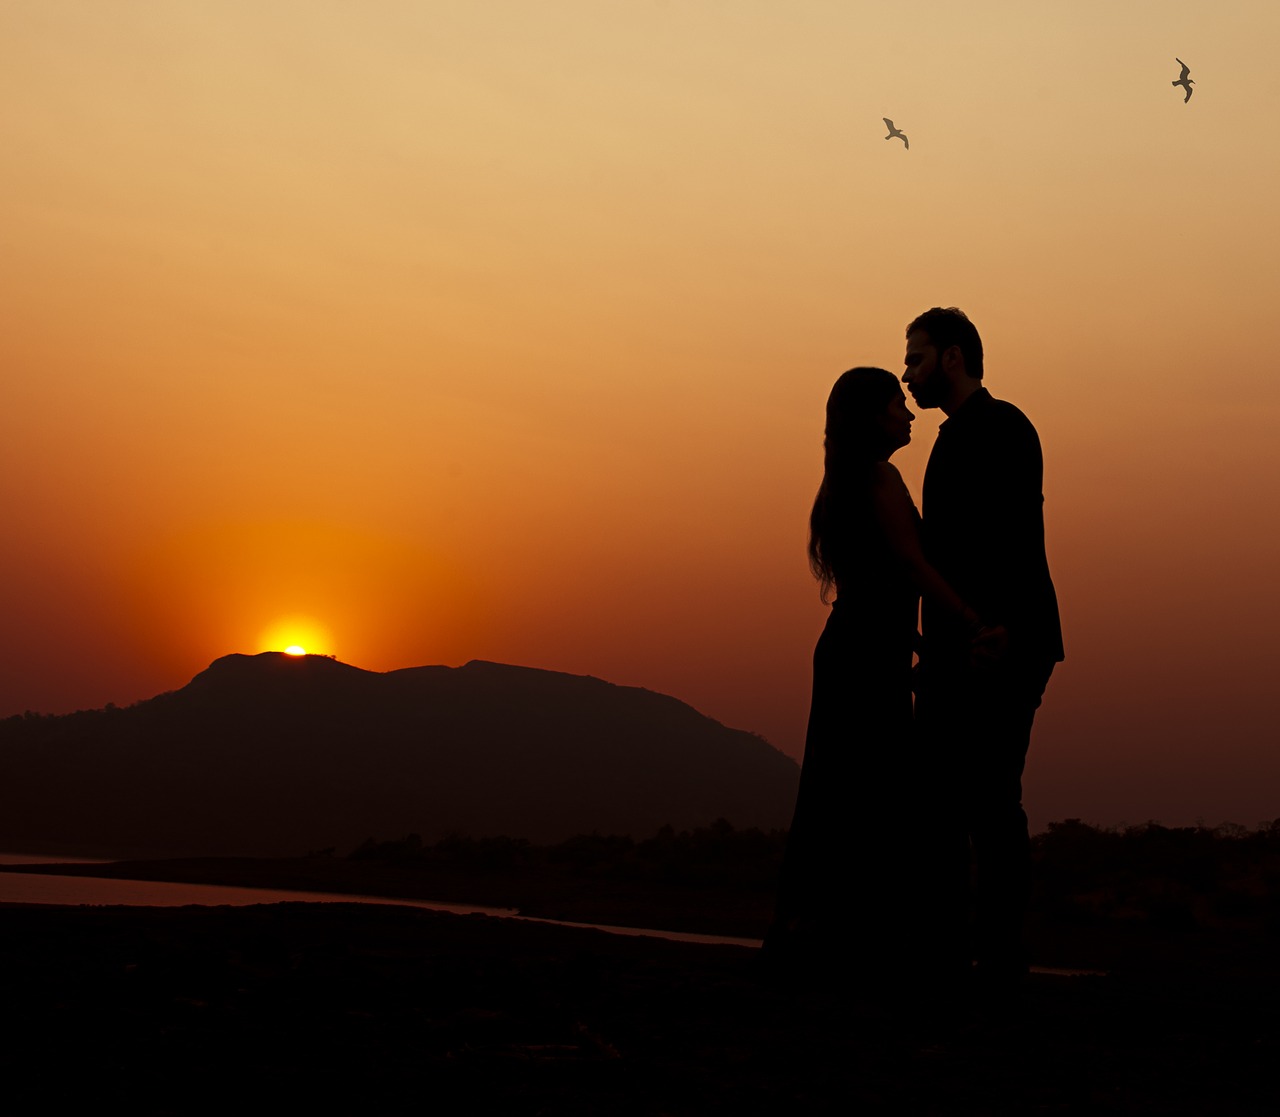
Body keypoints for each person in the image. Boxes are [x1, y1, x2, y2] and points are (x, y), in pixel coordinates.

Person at [765, 367, 1002, 990]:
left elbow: (875, 589)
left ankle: (829, 936)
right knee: (870, 788)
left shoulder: (842, 483)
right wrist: (974, 622)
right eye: (897, 405)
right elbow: (910, 565)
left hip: (860, 648)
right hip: (866, 655)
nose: (909, 413)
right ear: (871, 417)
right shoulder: (878, 477)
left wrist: (921, 645)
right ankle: (855, 943)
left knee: (843, 787)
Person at [902, 307, 1064, 1003]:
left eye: (916, 357)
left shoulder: (1003, 428)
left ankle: (998, 953)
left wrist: (1004, 629)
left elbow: (1014, 536)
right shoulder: (949, 439)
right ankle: (948, 946)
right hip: (960, 643)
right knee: (944, 796)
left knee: (992, 798)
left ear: (954, 357)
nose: (908, 373)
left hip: (1004, 641)